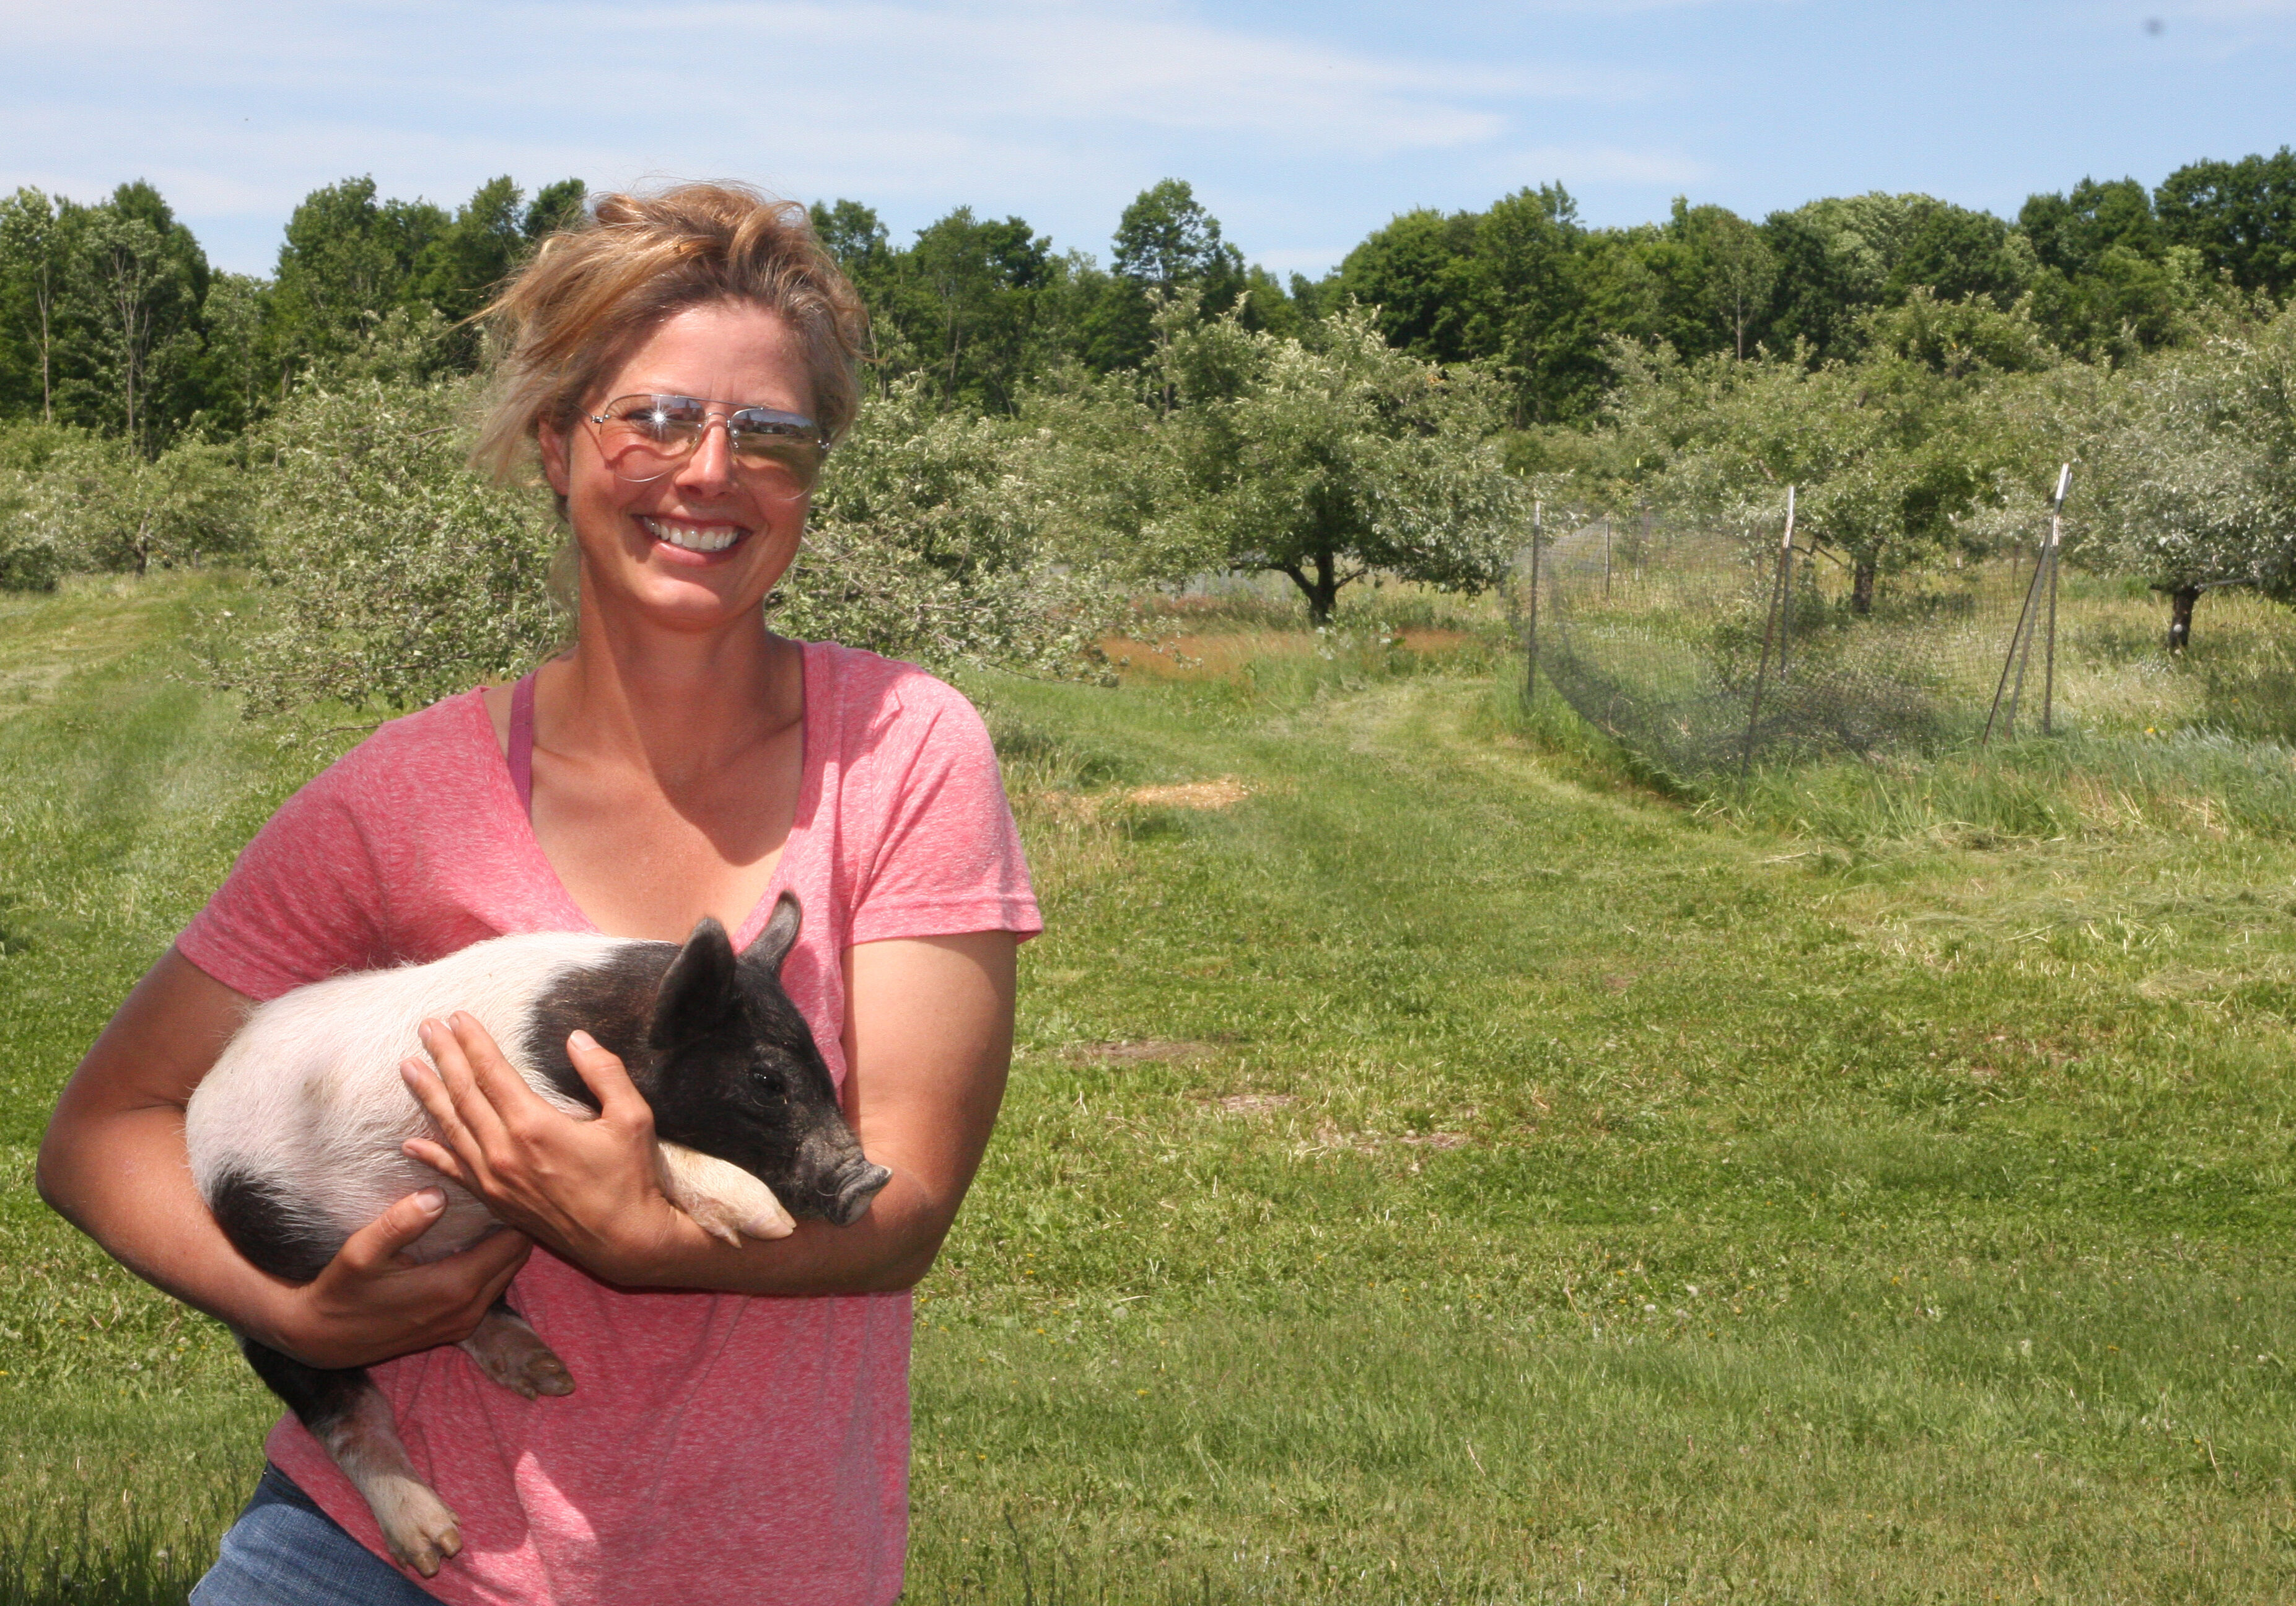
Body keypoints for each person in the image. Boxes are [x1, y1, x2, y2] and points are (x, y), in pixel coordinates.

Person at [35, 182, 1036, 1606]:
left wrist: (640, 1234)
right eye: (653, 418)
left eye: (771, 433)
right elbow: (99, 1136)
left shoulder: (904, 753)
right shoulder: (403, 795)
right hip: (361, 1556)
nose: (708, 473)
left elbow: (903, 1210)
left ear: (815, 477)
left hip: (748, 1569)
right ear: (558, 445)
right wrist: (300, 1313)